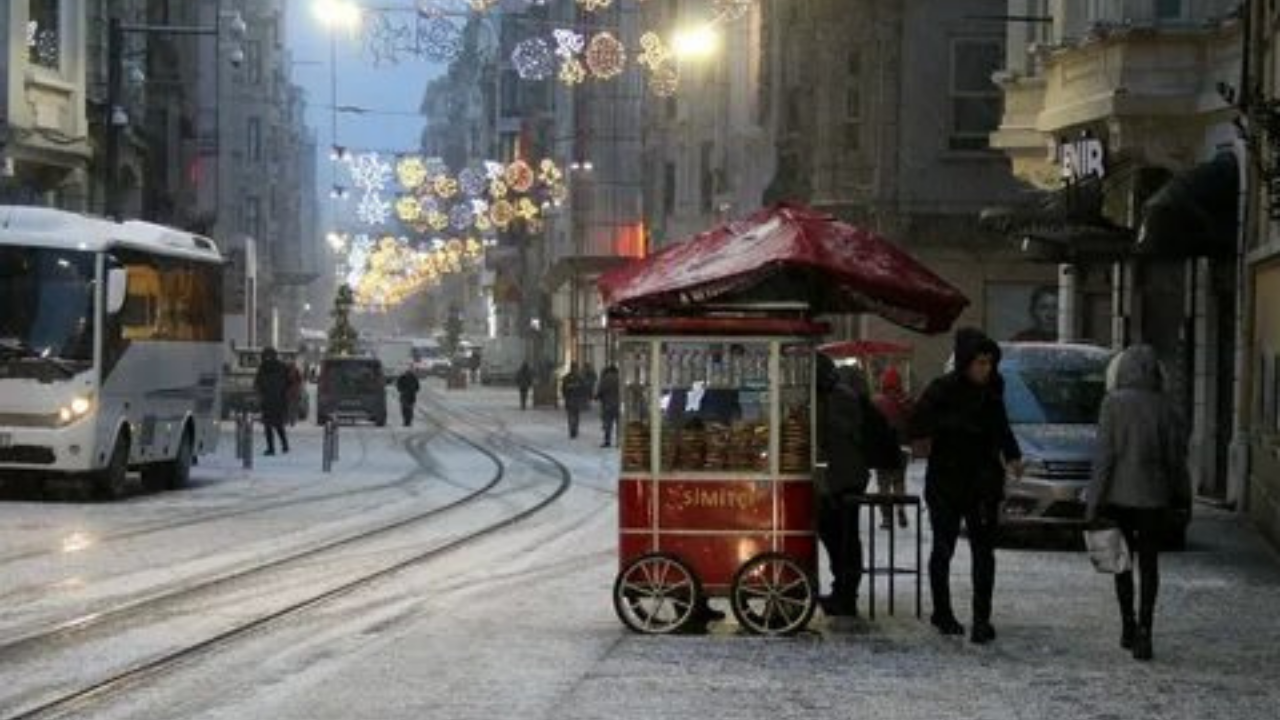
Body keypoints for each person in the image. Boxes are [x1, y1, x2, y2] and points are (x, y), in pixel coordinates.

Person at [908, 328, 1022, 644]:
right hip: (946, 482)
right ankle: (942, 612)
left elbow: (1002, 427)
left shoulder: (993, 391)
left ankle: (981, 619)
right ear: (966, 363)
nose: (986, 369)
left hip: (983, 484)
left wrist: (1012, 456)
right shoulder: (942, 390)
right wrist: (950, 427)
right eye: (980, 363)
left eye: (989, 363)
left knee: (984, 553)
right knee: (943, 548)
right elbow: (916, 423)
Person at [1085, 345, 1190, 662]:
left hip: (1119, 498)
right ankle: (1146, 629)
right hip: (1154, 498)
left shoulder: (1112, 404)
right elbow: (1176, 460)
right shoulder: (1167, 407)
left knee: (1122, 564)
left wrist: (1093, 502)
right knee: (1149, 564)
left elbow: (1104, 458)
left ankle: (1128, 625)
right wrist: (1181, 496)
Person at [816, 354, 870, 617]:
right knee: (842, 537)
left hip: (842, 480)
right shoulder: (841, 394)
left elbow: (830, 435)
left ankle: (846, 595)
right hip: (846, 477)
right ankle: (843, 591)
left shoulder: (834, 398)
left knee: (842, 538)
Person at [873, 367, 914, 529]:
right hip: (901, 448)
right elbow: (914, 420)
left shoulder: (876, 402)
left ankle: (887, 518)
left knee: (883, 484)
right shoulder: (905, 400)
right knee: (899, 481)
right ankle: (901, 509)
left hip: (882, 448)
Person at [254, 347, 291, 456]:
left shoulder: (263, 367)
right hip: (279, 400)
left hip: (267, 400)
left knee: (268, 426)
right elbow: (289, 382)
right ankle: (284, 445)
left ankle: (271, 448)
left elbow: (258, 383)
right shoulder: (282, 367)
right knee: (279, 425)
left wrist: (261, 393)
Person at [596, 364, 621, 448]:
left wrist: (597, 397)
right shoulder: (620, 378)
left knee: (608, 424)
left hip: (608, 404)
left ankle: (607, 441)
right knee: (619, 424)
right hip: (619, 404)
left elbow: (600, 391)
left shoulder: (605, 379)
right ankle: (619, 441)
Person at [561, 363, 587, 439]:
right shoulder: (580, 378)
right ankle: (574, 430)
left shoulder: (567, 378)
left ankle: (573, 430)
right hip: (576, 399)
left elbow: (563, 389)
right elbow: (583, 388)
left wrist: (566, 395)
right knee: (575, 416)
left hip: (571, 399)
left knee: (572, 416)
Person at [285, 359, 303, 427]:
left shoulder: (286, 371)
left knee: (288, 407)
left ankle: (289, 419)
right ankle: (292, 420)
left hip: (289, 392)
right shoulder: (296, 371)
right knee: (293, 407)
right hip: (294, 392)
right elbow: (300, 381)